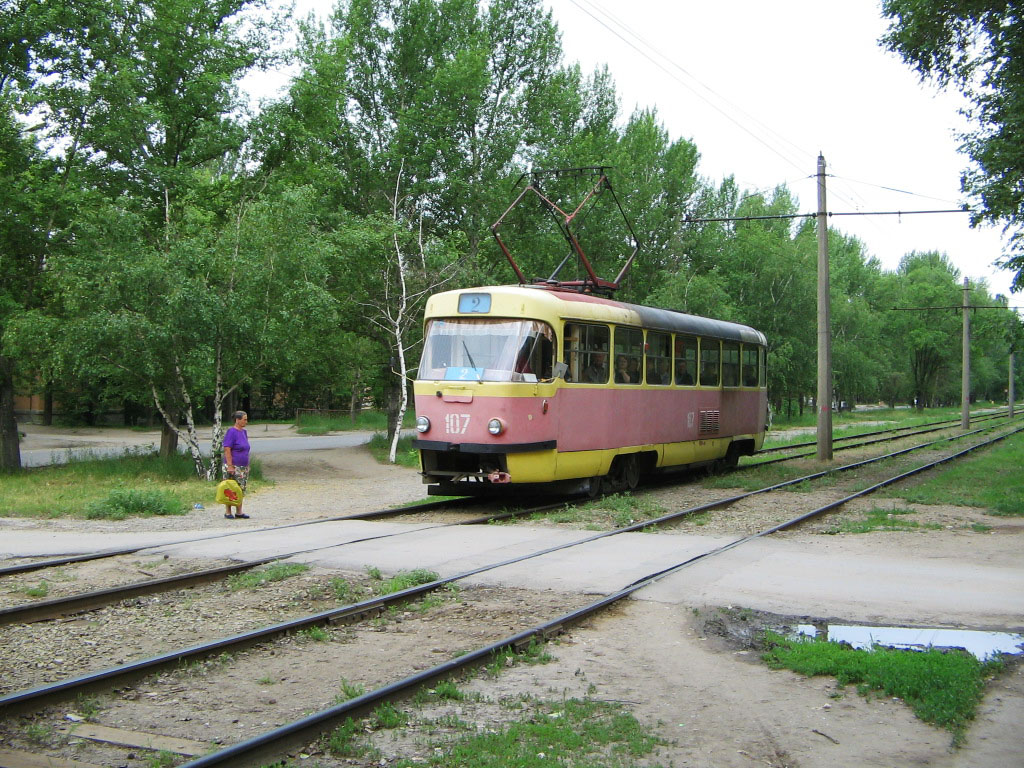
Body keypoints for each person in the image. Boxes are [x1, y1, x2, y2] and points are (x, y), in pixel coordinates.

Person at [222, 410, 251, 519]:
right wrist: (230, 465)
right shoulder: (231, 432)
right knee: (230, 488)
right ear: (237, 420)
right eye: (244, 419)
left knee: (240, 488)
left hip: (243, 466)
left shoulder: (244, 432)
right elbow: (227, 449)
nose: (246, 422)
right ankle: (228, 511)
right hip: (233, 465)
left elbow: (246, 448)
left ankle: (239, 511)